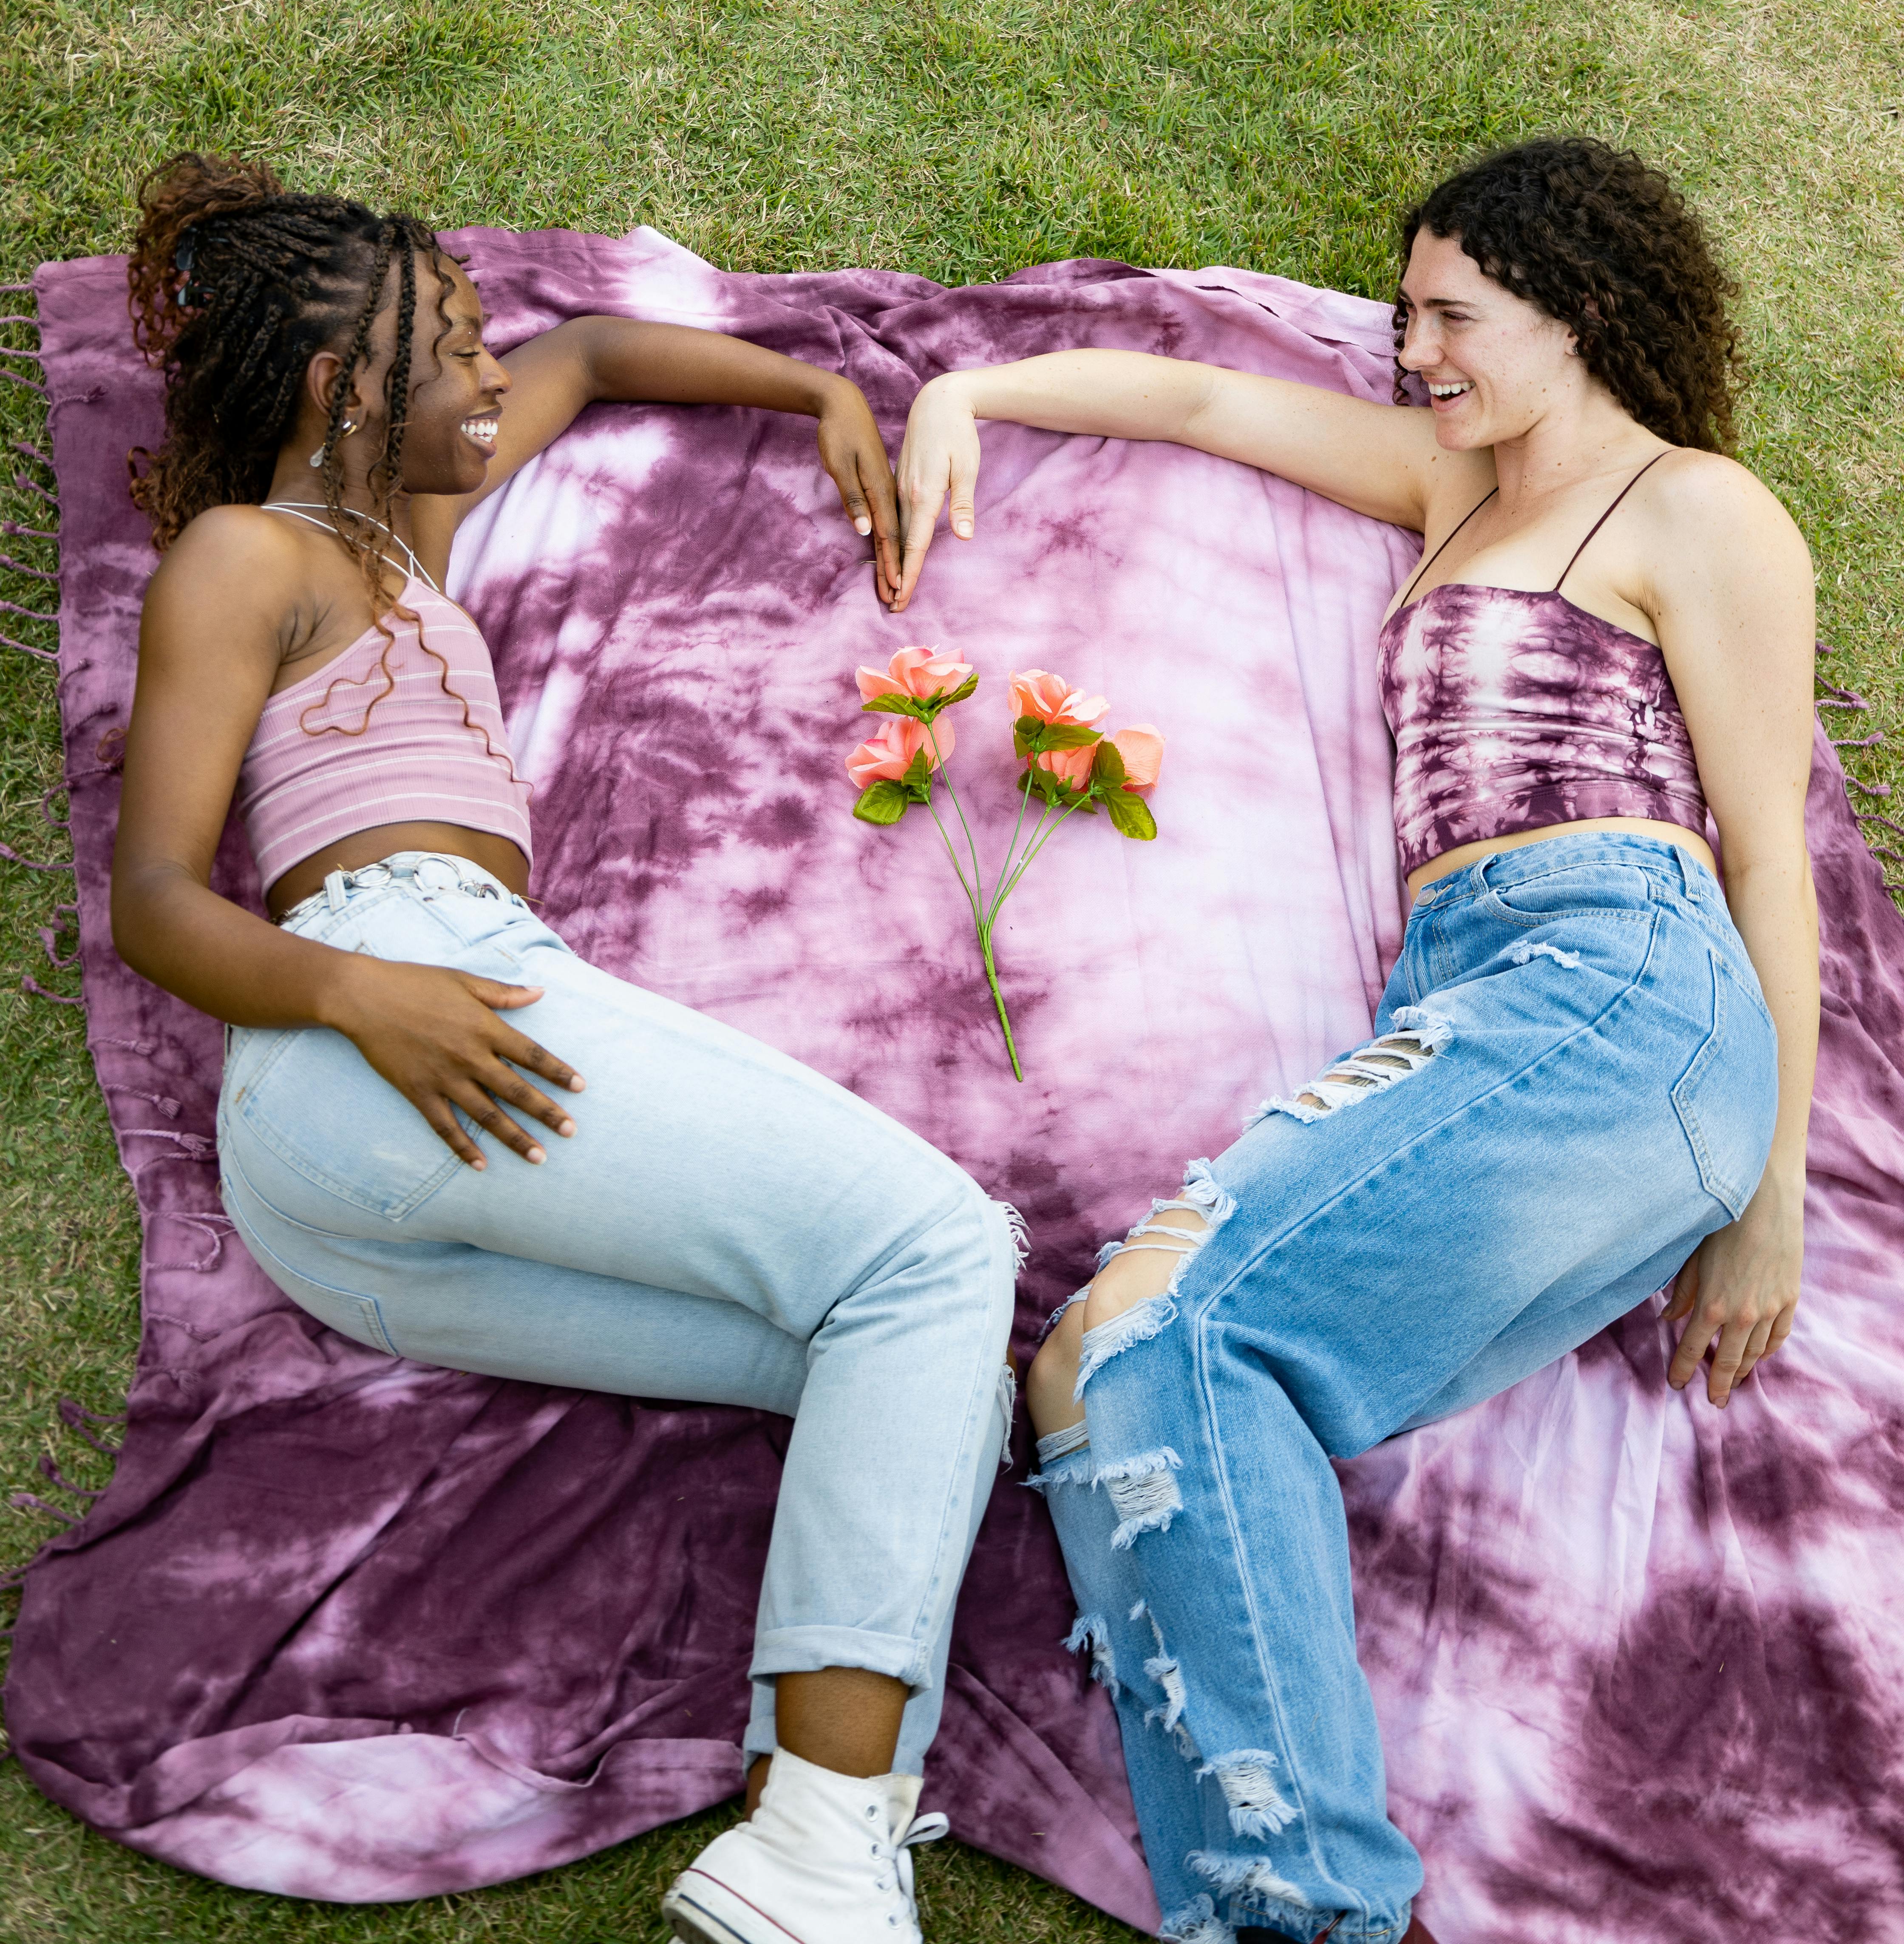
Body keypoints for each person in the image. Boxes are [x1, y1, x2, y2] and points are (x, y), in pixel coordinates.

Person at [890, 137, 1814, 1944]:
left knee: (1162, 1329)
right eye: (1402, 317)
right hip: (1476, 999)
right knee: (1098, 1361)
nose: (1413, 354)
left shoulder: (1696, 508)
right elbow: (1185, 400)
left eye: (1452, 317)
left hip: (1619, 980)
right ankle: (1287, 1898)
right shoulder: (1438, 485)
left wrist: (1767, 1188)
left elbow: (1767, 848)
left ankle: (1308, 1916)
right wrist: (969, 386)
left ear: (1583, 313)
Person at [109, 155, 1020, 1944]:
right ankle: (826, 1845)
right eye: (453, 351)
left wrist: (816, 381)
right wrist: (356, 990)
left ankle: (803, 1817)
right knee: (939, 1250)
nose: (489, 381)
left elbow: (595, 353)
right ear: (336, 389)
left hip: (360, 1225)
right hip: (380, 1004)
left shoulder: (409, 536)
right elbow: (153, 896)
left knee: (925, 1370)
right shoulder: (251, 555)